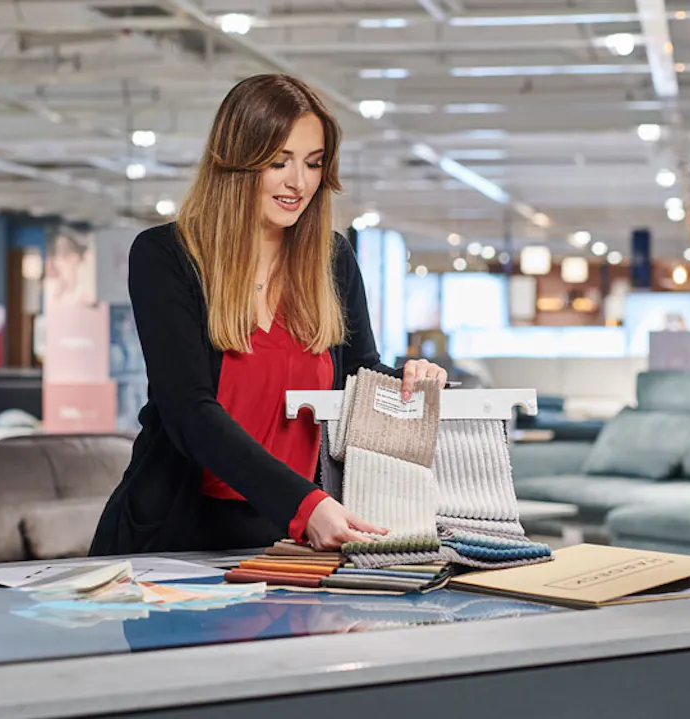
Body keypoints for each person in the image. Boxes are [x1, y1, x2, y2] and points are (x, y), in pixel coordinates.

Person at [90, 74, 447, 556]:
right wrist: (304, 504)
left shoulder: (333, 260)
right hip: (176, 535)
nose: (299, 182)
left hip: (292, 536)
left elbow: (357, 377)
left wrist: (407, 378)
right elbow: (189, 411)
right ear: (236, 161)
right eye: (279, 162)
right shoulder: (166, 256)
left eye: (313, 163)